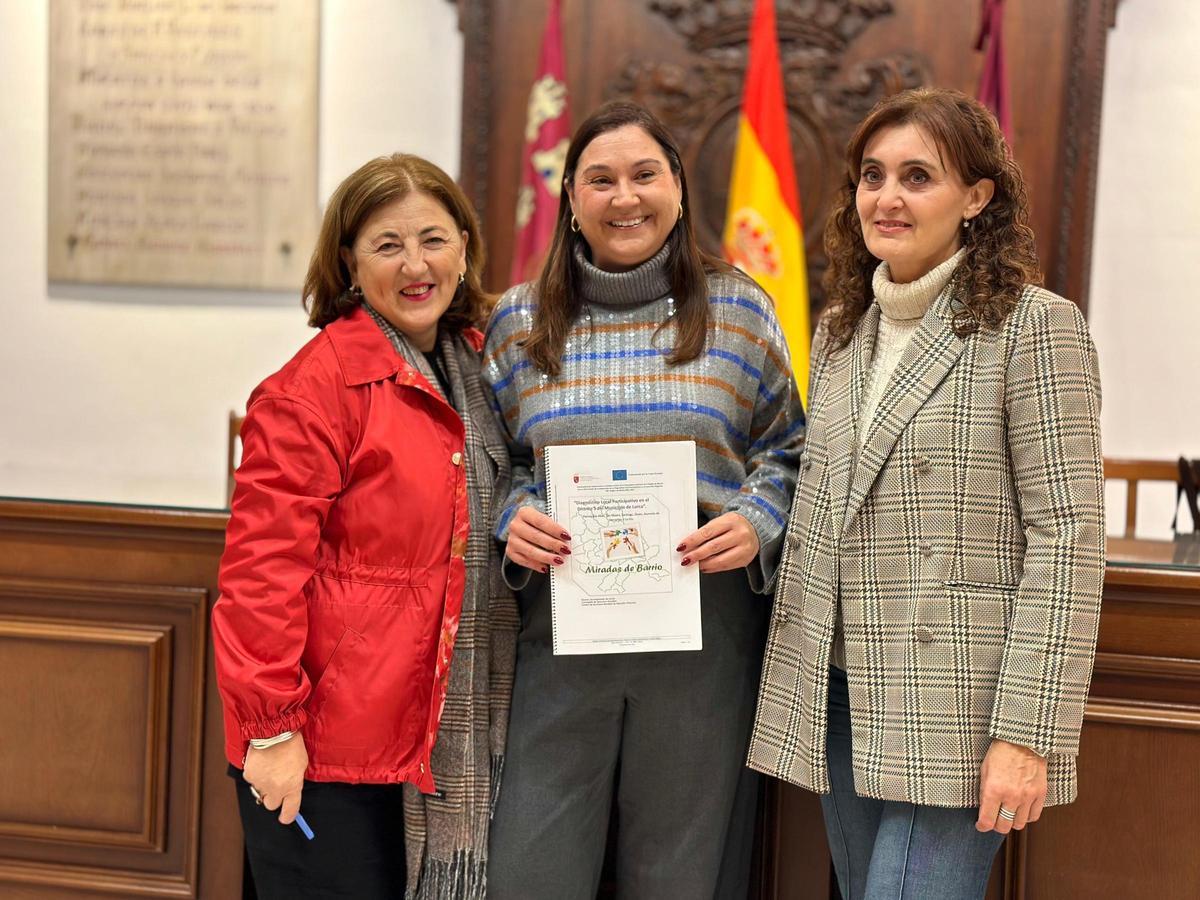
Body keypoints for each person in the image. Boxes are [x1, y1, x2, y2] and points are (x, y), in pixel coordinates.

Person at [748, 88, 1104, 900]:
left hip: (958, 706)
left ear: (976, 198)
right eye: (872, 176)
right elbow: (824, 503)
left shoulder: (1033, 327)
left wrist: (1027, 734)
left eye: (918, 176)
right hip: (837, 686)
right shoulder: (841, 329)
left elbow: (1069, 539)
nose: (887, 197)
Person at [483, 101, 805, 899]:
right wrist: (510, 515)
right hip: (562, 624)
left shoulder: (741, 308)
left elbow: (791, 450)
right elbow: (492, 462)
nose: (624, 197)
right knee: (533, 865)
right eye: (600, 179)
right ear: (570, 198)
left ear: (679, 188)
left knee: (681, 874)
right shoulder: (516, 321)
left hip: (703, 620)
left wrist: (756, 519)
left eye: (643, 175)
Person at [212, 153, 516, 900]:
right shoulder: (310, 392)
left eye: (434, 239)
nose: (416, 265)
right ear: (349, 262)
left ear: (466, 248)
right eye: (388, 245)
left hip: (438, 740)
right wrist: (271, 733)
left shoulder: (484, 367)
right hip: (325, 751)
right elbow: (260, 579)